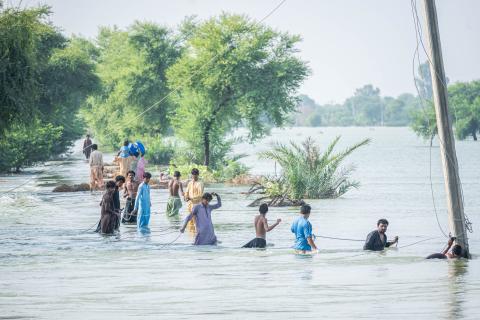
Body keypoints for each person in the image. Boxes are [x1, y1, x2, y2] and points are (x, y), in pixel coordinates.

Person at [184, 168, 204, 233]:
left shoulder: (200, 183)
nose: (194, 176)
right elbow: (186, 192)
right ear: (191, 175)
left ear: (198, 175)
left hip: (197, 206)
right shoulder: (190, 183)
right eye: (193, 174)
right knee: (190, 222)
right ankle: (192, 237)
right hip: (190, 205)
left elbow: (201, 195)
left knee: (197, 222)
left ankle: (198, 236)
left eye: (195, 174)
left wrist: (191, 198)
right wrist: (186, 197)